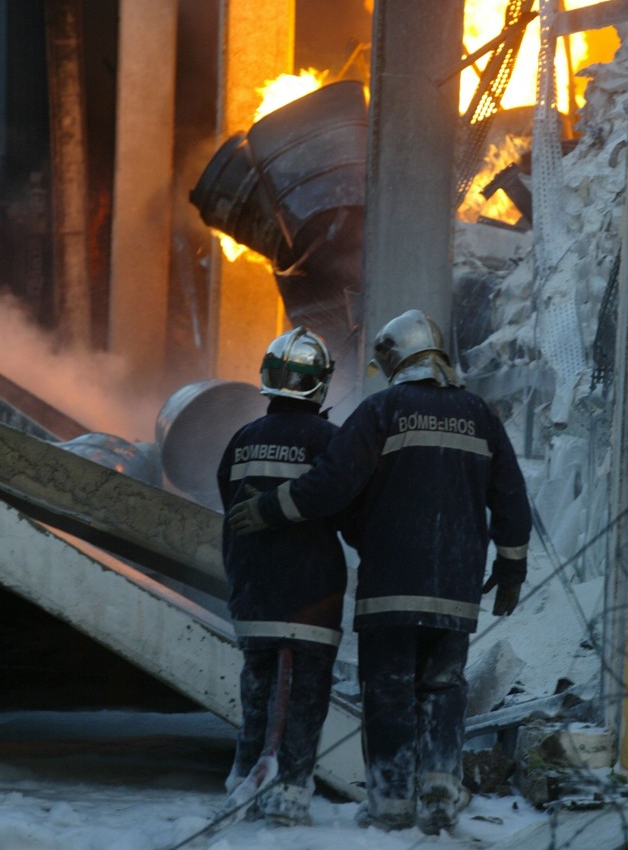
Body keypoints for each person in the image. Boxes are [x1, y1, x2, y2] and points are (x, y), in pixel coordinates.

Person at [227, 309, 532, 836]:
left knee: (388, 689)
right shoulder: (480, 415)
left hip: (390, 584)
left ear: (396, 359)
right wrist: (511, 568)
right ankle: (440, 781)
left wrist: (270, 508)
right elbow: (510, 497)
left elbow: (331, 486)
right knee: (443, 684)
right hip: (456, 586)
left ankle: (391, 805)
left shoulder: (382, 410)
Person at [217, 326, 348, 827]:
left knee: (257, 699)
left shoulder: (242, 439)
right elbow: (345, 506)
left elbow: (230, 506)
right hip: (309, 598)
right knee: (302, 704)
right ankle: (287, 799)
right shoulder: (329, 441)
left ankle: (242, 786)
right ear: (321, 383)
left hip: (251, 597)